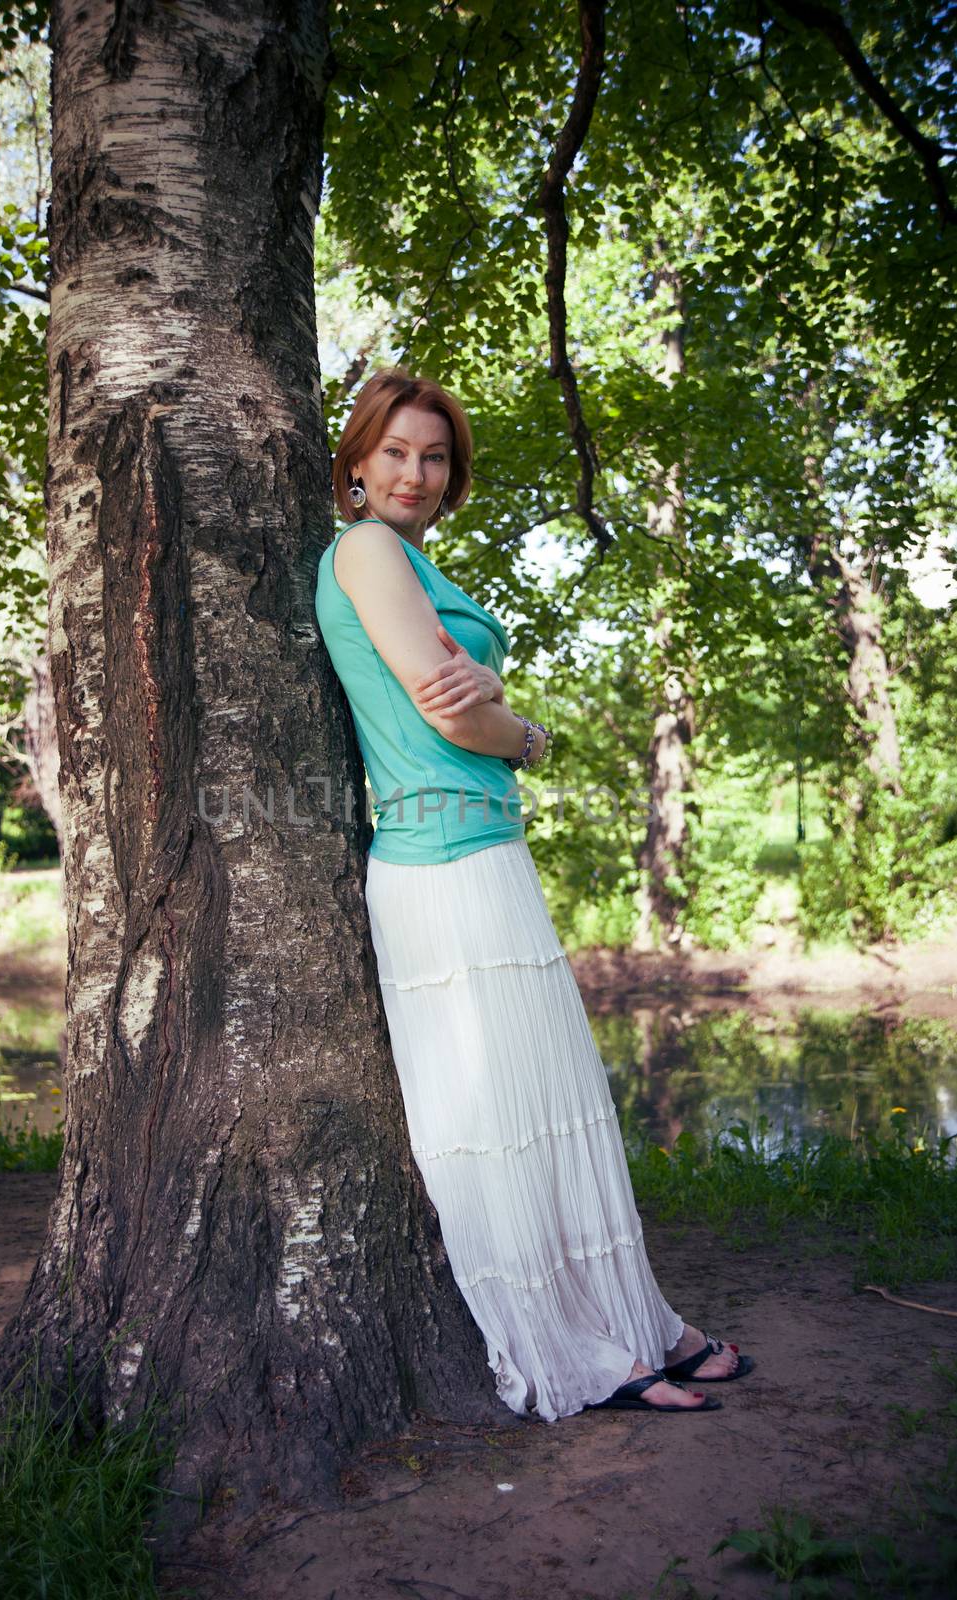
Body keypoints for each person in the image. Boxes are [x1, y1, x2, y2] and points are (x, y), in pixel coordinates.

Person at [314, 367, 753, 1420]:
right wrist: (527, 731)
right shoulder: (367, 550)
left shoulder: (414, 562)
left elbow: (465, 691)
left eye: (435, 456)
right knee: (497, 1121)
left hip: (484, 857)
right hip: (441, 871)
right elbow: (452, 710)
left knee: (553, 1111)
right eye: (396, 453)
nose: (417, 473)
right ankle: (577, 1353)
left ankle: (640, 1323)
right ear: (359, 466)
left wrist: (494, 702)